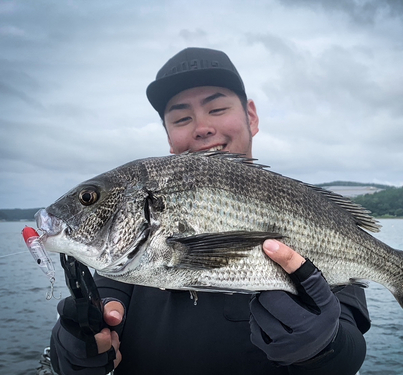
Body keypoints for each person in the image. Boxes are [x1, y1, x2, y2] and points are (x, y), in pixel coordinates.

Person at [48, 47, 370, 375]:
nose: (201, 127)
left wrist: (323, 346)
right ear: (170, 139)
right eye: (182, 118)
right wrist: (77, 348)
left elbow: (350, 349)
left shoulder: (317, 218)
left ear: (252, 117)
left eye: (217, 108)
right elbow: (103, 309)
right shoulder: (129, 259)